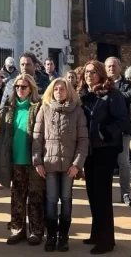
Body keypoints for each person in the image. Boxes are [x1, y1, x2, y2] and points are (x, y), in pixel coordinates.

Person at [79, 60, 131, 254]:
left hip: (105, 151)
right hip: (89, 152)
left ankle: (107, 240)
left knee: (103, 196)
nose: (89, 75)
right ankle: (96, 233)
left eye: (93, 72)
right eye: (86, 72)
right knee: (92, 194)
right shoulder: (84, 96)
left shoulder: (113, 95)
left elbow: (124, 122)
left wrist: (104, 133)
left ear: (101, 74)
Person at [32, 78, 87, 252]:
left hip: (69, 166)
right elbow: (37, 138)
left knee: (66, 199)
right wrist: (38, 162)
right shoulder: (45, 109)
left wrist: (77, 165)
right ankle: (51, 236)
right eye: (55, 89)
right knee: (50, 200)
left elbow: (83, 141)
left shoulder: (77, 112)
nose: (58, 92)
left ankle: (63, 236)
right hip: (49, 164)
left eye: (62, 89)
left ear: (68, 91)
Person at [0, 74, 44, 246]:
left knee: (35, 196)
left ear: (31, 88)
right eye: (17, 87)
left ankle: (36, 231)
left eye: (23, 87)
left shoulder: (39, 107)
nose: (19, 90)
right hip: (15, 159)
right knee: (17, 196)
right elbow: (3, 133)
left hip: (33, 161)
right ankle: (17, 229)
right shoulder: (10, 108)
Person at [104, 57, 131, 208]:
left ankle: (126, 193)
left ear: (119, 67)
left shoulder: (127, 84)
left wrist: (112, 95)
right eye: (109, 66)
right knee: (107, 163)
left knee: (123, 163)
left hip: (122, 130)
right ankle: (106, 194)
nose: (111, 69)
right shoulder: (102, 83)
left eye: (114, 66)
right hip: (105, 131)